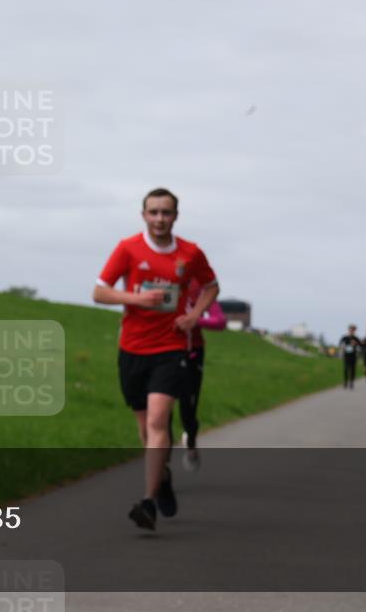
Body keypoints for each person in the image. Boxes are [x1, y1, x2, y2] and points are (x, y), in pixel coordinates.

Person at [94, 187, 219, 531]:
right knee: (145, 431)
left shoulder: (190, 253)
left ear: (176, 216)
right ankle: (161, 476)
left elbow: (211, 286)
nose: (160, 219)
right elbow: (99, 291)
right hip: (132, 349)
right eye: (154, 212)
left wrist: (194, 317)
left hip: (171, 348)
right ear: (144, 215)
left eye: (166, 213)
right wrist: (135, 298)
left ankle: (147, 502)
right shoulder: (128, 249)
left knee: (159, 421)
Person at [175, 279, 225, 471]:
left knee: (187, 407)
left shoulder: (201, 286)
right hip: (163, 350)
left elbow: (219, 321)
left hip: (193, 352)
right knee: (159, 409)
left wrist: (194, 319)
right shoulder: (160, 278)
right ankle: (161, 462)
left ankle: (191, 442)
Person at [338, 324, 362, 389]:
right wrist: (342, 347)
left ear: (355, 331)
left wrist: (356, 344)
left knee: (353, 369)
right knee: (346, 369)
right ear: (349, 330)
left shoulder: (356, 338)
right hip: (346, 355)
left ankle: (351, 382)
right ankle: (345, 382)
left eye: (353, 330)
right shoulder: (344, 337)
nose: (352, 331)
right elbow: (340, 344)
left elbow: (361, 346)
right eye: (351, 329)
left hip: (353, 356)